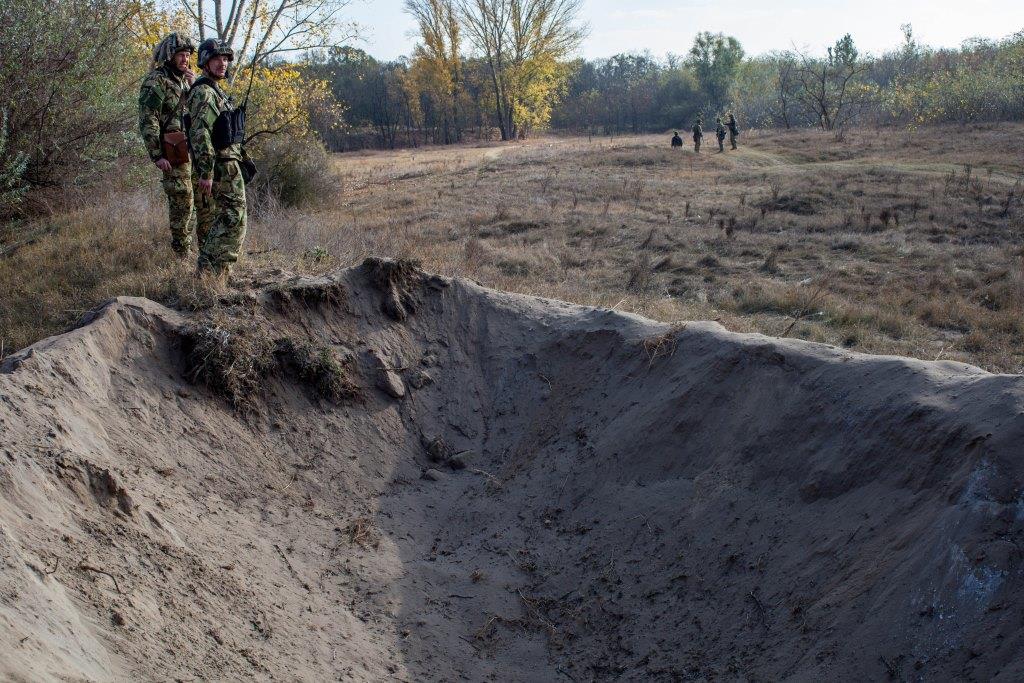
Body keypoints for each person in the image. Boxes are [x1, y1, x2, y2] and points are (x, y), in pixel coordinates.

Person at [188, 39, 247, 279]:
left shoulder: (214, 90)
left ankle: (217, 273)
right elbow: (199, 134)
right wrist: (206, 173)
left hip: (228, 165)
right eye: (217, 59)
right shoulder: (204, 92)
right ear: (205, 62)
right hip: (220, 168)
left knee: (226, 219)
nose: (223, 63)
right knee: (233, 218)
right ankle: (211, 273)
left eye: (225, 59)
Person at [138, 33, 196, 257]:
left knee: (194, 201)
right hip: (171, 151)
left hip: (190, 149)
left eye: (188, 55)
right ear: (169, 55)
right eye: (181, 54)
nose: (185, 59)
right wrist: (156, 155)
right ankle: (182, 253)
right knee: (182, 200)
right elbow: (147, 119)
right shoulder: (156, 81)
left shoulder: (186, 80)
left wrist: (194, 86)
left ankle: (191, 249)